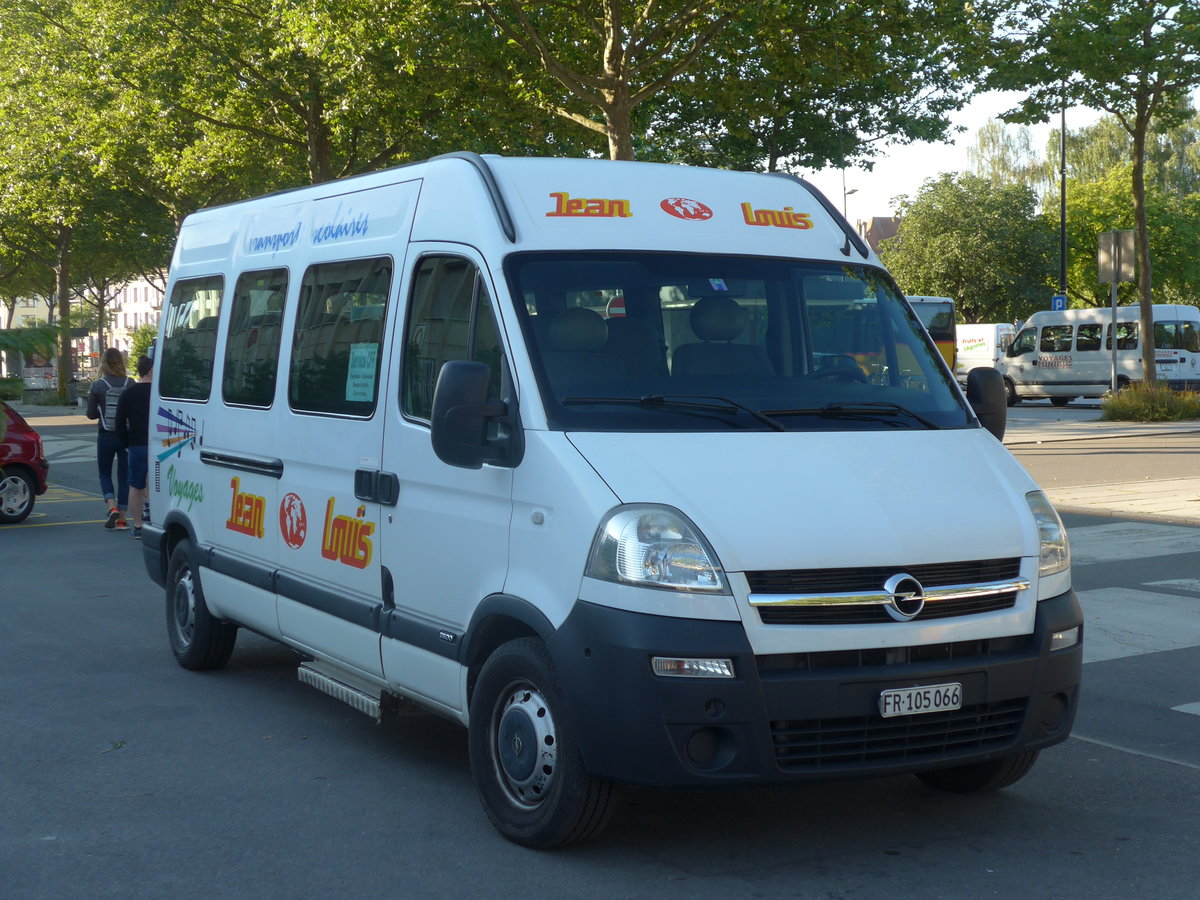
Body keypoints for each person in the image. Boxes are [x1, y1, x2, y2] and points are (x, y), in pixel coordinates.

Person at [86, 348, 135, 529]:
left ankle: (111, 507)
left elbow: (91, 414)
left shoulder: (98, 385)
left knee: (104, 473)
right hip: (126, 436)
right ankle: (122, 518)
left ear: (103, 363)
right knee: (124, 477)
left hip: (106, 435)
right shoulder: (131, 383)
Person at [115, 354, 153, 539]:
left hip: (137, 444)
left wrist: (126, 442)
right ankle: (155, 519)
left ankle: (137, 525)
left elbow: (119, 422)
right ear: (152, 370)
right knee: (157, 484)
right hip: (160, 445)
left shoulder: (128, 393)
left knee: (135, 486)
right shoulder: (161, 393)